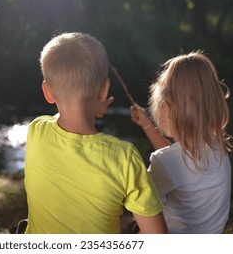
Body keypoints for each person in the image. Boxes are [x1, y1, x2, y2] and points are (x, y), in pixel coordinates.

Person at [24, 32, 167, 234]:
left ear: (47, 92)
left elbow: (62, 115)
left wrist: (90, 106)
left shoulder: (36, 130)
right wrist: (94, 107)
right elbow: (157, 236)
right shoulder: (124, 157)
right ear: (104, 90)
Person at [130, 51, 233, 233]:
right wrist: (146, 124)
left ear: (169, 107)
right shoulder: (218, 146)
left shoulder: (166, 162)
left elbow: (141, 209)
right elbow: (179, 164)